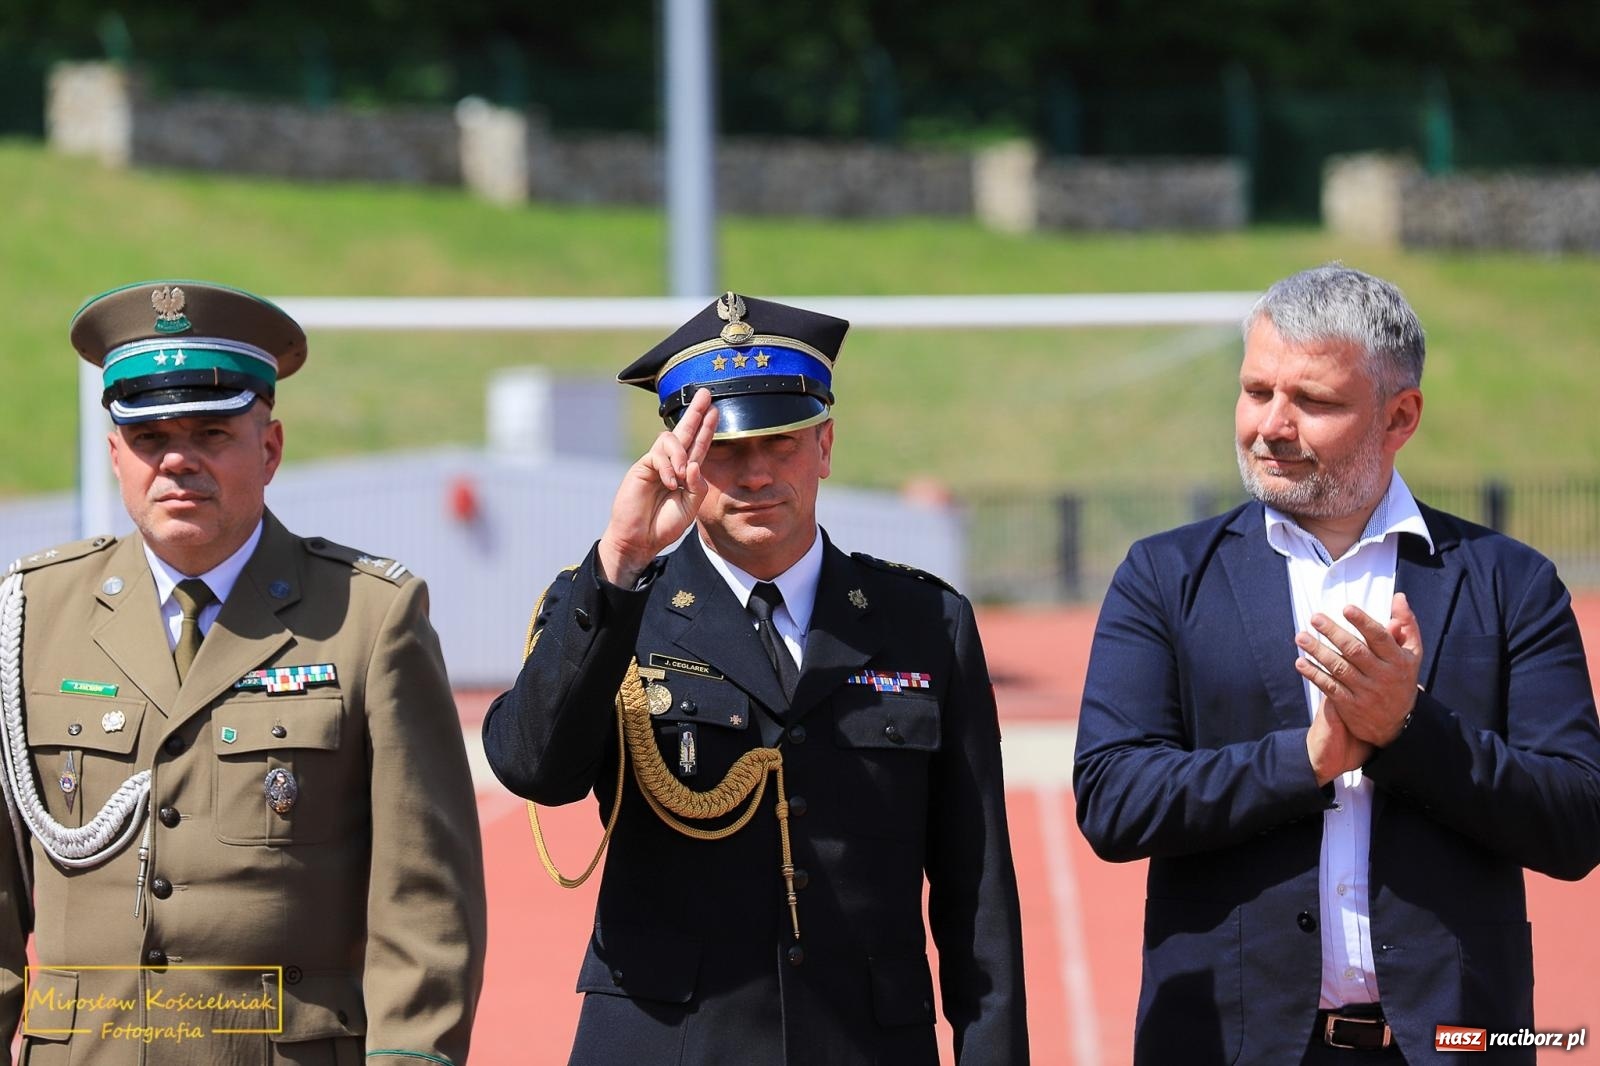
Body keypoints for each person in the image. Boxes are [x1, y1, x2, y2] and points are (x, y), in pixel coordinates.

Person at [1073, 263, 1600, 1064]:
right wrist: (1308, 759)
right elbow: (1113, 801)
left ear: (1401, 416)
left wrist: (1410, 731)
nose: (1271, 426)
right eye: (1256, 391)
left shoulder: (1510, 582)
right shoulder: (1164, 576)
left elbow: (1575, 822)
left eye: (1312, 401)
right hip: (1227, 1046)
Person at [482, 292, 1028, 1065]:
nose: (759, 474)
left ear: (826, 446)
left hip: (862, 1045)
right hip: (670, 1045)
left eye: (783, 443)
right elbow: (533, 769)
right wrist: (621, 564)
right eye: (729, 450)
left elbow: (980, 900)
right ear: (681, 458)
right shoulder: (612, 604)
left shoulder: (924, 623)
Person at [0, 280, 487, 1064]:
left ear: (269, 449)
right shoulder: (30, 617)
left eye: (211, 434)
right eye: (152, 436)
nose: (179, 461)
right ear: (115, 455)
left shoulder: (367, 617)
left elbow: (424, 901)